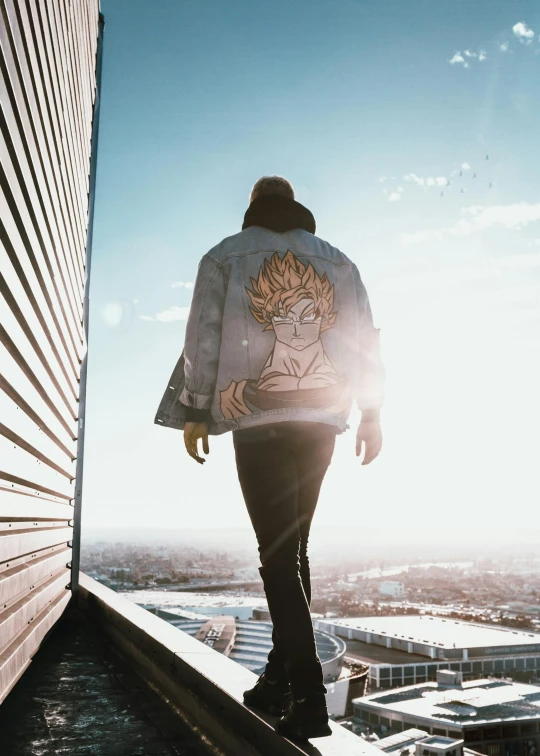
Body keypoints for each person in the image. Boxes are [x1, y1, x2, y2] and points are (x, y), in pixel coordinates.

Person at [155, 175, 385, 740]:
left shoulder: (224, 257)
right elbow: (365, 342)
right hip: (322, 423)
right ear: (297, 207)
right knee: (295, 547)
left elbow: (202, 342)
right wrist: (373, 413)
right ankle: (277, 681)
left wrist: (193, 410)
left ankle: (307, 697)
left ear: (253, 207)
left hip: (257, 423)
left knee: (277, 554)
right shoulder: (341, 263)